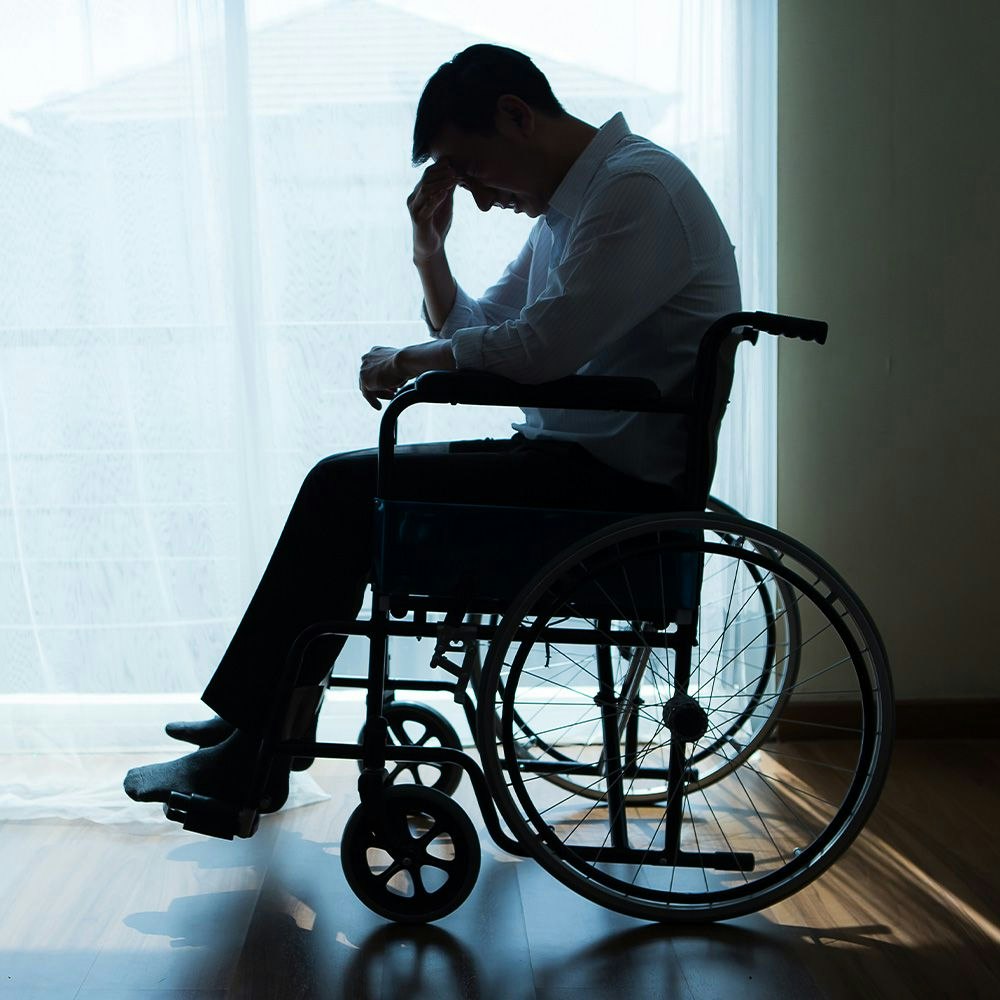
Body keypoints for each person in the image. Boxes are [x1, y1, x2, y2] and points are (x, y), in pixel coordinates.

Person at [124, 43, 740, 813]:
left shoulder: (634, 193)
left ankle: (258, 735)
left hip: (608, 487)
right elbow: (490, 327)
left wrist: (413, 359)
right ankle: (259, 724)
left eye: (474, 171)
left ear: (517, 117)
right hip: (573, 463)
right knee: (347, 485)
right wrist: (429, 254)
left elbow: (538, 351)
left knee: (345, 487)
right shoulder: (576, 207)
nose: (479, 199)